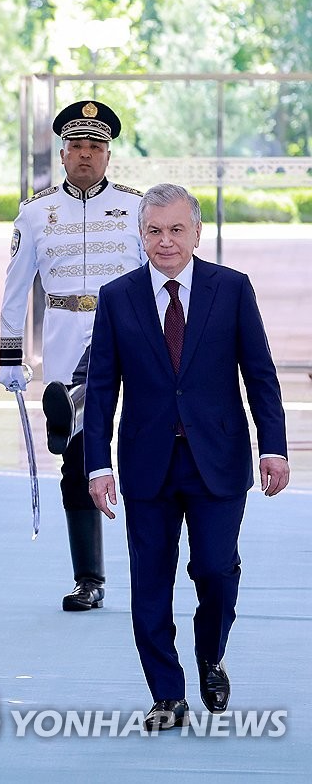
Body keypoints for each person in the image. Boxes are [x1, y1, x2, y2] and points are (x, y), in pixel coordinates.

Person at [85, 183, 289, 730]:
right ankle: (167, 694)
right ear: (140, 234)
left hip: (218, 460)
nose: (165, 241)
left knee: (216, 570)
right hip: (147, 463)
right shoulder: (117, 296)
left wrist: (273, 446)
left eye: (177, 230)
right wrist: (97, 464)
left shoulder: (232, 289)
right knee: (150, 581)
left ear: (197, 232)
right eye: (154, 230)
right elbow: (102, 388)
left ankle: (209, 653)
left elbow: (260, 375)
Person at [0, 100, 145, 612]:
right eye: (77, 147)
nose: (86, 156)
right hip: (64, 334)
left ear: (109, 155)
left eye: (96, 147)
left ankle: (156, 562)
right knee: (78, 458)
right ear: (63, 153)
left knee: (145, 445)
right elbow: (16, 289)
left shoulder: (135, 209)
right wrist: (11, 357)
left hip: (129, 333)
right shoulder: (35, 213)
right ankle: (89, 578)